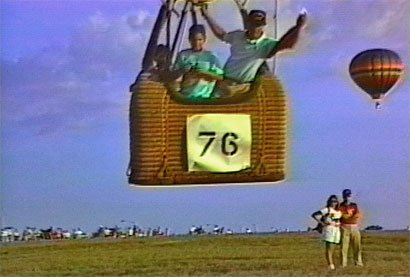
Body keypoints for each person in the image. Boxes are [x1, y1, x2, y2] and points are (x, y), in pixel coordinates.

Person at [201, 3, 307, 87]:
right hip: (225, 80)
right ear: (248, 23)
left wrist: (298, 27)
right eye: (253, 24)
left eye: (258, 25)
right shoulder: (238, 36)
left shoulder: (266, 44)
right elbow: (221, 34)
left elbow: (288, 45)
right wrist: (207, 16)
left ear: (263, 25)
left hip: (242, 85)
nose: (256, 28)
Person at [167, 24, 224, 99]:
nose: (196, 43)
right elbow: (173, 76)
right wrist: (184, 70)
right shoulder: (183, 55)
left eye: (199, 40)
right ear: (189, 40)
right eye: (194, 40)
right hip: (185, 97)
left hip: (205, 97)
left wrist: (204, 72)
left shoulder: (211, 56)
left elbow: (220, 77)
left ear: (204, 39)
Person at [312, 195, 342, 270]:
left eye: (335, 201)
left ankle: (331, 263)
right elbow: (314, 215)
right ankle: (330, 265)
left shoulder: (338, 211)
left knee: (333, 247)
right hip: (329, 229)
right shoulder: (327, 210)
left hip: (337, 229)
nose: (333, 203)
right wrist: (321, 223)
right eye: (332, 201)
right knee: (329, 248)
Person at [340, 189, 364, 267]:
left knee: (357, 245)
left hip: (354, 226)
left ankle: (358, 263)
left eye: (348, 195)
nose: (347, 197)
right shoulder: (340, 206)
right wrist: (348, 217)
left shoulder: (354, 205)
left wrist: (349, 217)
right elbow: (341, 216)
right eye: (346, 196)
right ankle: (343, 264)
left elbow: (357, 215)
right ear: (343, 196)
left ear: (350, 196)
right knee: (344, 246)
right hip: (344, 226)